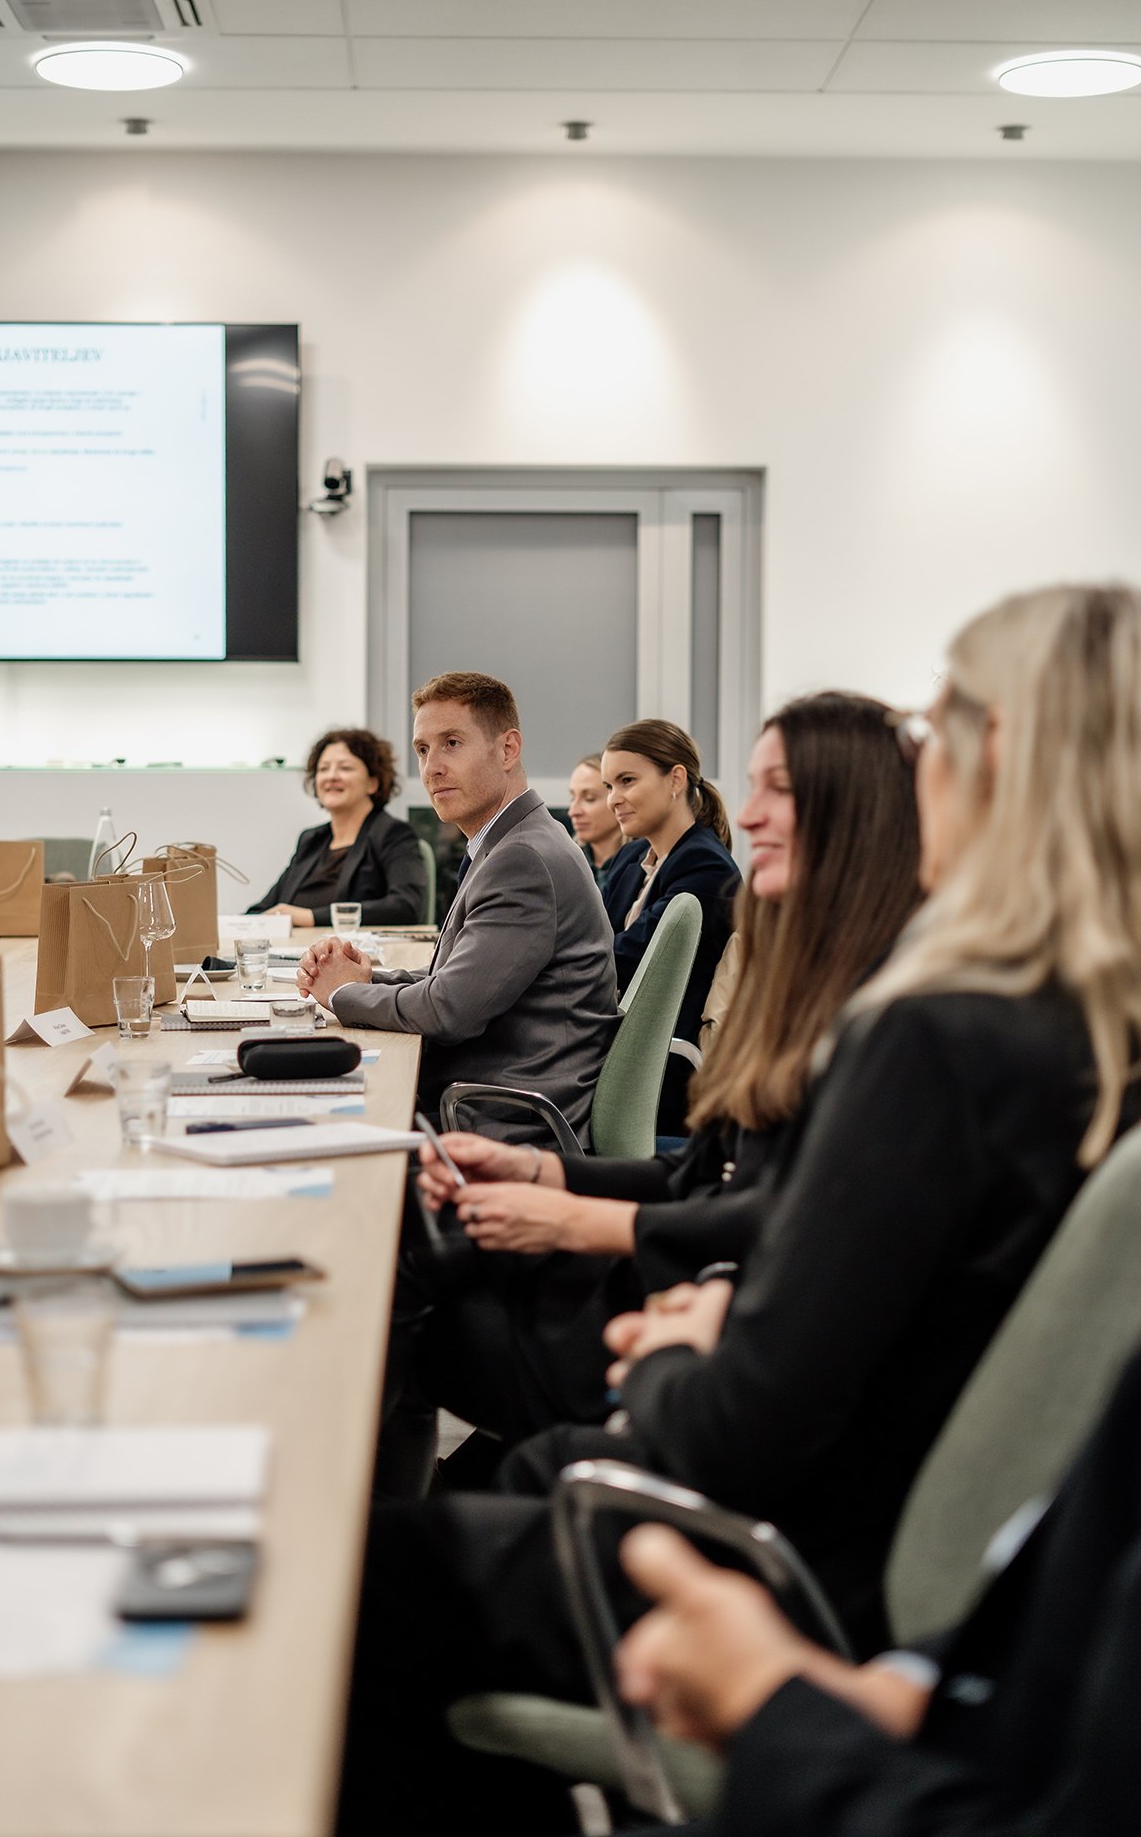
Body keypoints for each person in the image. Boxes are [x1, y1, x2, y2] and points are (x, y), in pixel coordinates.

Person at [337, 585, 1141, 1834]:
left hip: (771, 1565)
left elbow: (743, 1421)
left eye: (934, 730)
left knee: (335, 1596)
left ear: (998, 759)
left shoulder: (936, 1037)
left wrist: (675, 1348)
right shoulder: (1080, 1036)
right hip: (882, 1563)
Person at [406, 693, 923, 1454]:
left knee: (402, 1288)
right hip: (678, 1267)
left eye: (779, 790)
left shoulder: (894, 1015)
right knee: (407, 1268)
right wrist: (541, 1172)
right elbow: (716, 1174)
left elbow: (793, 1229)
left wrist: (573, 1219)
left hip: (687, 1312)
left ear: (861, 809)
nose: (748, 815)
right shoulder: (815, 972)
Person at [614, 1341, 1141, 1836]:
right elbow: (1085, 1585)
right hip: (927, 1754)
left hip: (805, 1576)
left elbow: (735, 1433)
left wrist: (765, 1702)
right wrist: (907, 1681)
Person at [297, 672, 619, 1146]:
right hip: (487, 1099)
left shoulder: (522, 859)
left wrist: (343, 994)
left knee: (316, 1130)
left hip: (503, 1122)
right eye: (423, 750)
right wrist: (366, 979)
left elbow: (447, 1011)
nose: (432, 768)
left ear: (508, 749)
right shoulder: (511, 842)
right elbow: (454, 980)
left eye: (451, 743)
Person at [599, 721, 740, 1135]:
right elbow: (593, 943)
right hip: (614, 1047)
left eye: (627, 781)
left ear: (675, 779)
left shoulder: (706, 868)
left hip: (657, 1073)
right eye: (609, 786)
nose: (613, 799)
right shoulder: (630, 860)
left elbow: (619, 963)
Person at [249, 726, 426, 927]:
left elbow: (406, 906)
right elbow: (266, 909)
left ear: (373, 783)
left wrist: (311, 918)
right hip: (294, 946)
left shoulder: (392, 834)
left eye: (345, 768)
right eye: (323, 769)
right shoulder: (311, 840)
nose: (331, 776)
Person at [567, 753, 632, 892]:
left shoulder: (646, 867)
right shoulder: (563, 866)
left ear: (616, 800)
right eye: (572, 798)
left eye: (589, 798)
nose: (573, 811)